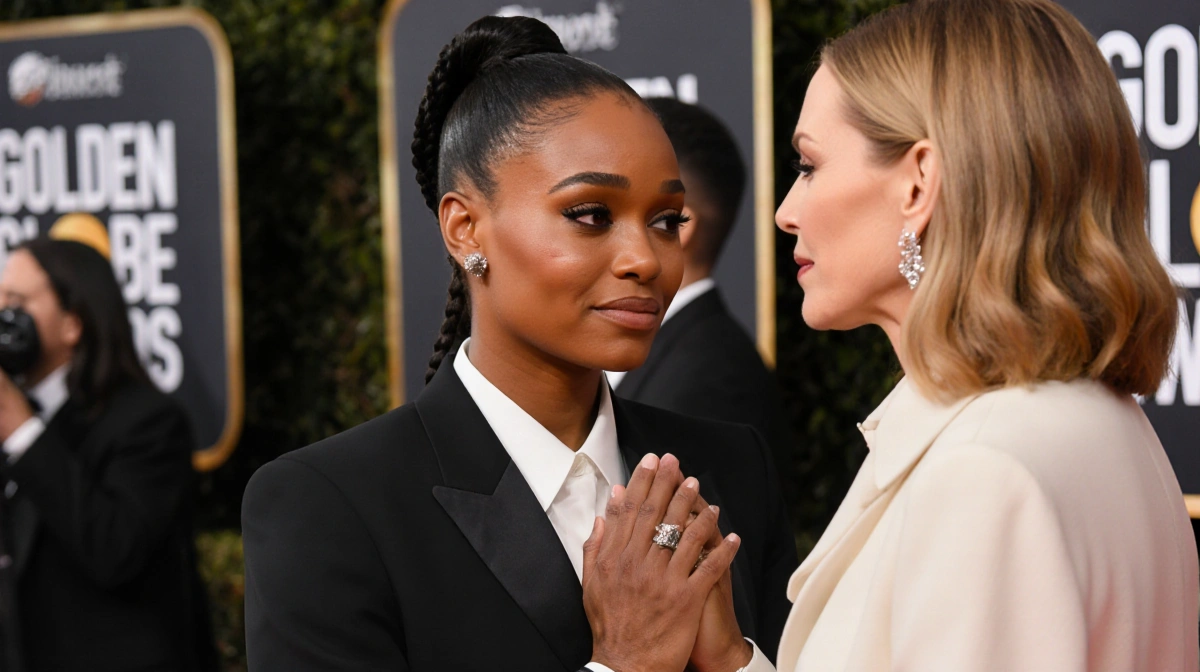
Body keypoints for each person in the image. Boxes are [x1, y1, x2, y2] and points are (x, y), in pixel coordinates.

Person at [579, 0, 1200, 670]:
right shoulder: (1090, 423)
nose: (786, 212)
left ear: (917, 185)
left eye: (810, 165)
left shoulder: (982, 474)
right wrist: (731, 658)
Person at [241, 15, 798, 672]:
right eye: (590, 214)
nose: (645, 258)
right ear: (466, 229)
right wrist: (624, 664)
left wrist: (733, 661)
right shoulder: (332, 504)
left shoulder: (731, 469)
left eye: (666, 221)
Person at [0, 238, 214, 672]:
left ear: (72, 324)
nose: (3, 315)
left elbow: (115, 549)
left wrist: (21, 429)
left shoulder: (148, 423)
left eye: (16, 301)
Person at [609, 98, 793, 479]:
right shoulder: (684, 356)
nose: (591, 227)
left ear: (675, 223)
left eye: (607, 208)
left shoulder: (714, 380)